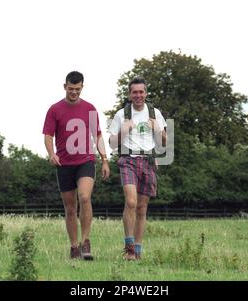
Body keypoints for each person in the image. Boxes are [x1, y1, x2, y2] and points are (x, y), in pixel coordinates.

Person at [43, 71, 110, 260]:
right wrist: (51, 154)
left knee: (85, 196)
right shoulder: (54, 109)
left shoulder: (90, 108)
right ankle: (74, 247)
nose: (74, 92)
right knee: (70, 207)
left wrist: (104, 159)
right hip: (64, 163)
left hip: (86, 161)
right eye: (71, 89)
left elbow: (97, 135)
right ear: (64, 87)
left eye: (77, 89)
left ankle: (86, 242)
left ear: (82, 87)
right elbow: (48, 135)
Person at [108, 77, 167, 260]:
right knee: (131, 202)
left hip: (148, 160)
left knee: (141, 208)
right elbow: (111, 144)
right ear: (129, 94)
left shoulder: (154, 112)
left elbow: (165, 142)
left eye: (141, 92)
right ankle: (129, 248)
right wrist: (123, 132)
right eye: (135, 92)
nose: (138, 95)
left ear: (146, 93)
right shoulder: (121, 114)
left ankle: (138, 251)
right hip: (128, 160)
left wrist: (158, 129)